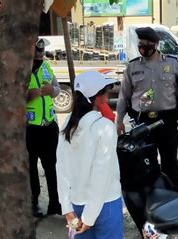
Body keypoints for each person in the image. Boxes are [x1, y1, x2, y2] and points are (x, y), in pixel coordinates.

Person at [116, 27, 178, 190]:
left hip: (167, 122)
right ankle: (152, 197)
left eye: (147, 44)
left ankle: (174, 195)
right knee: (146, 162)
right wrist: (119, 120)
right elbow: (124, 96)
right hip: (142, 124)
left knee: (170, 161)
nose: (143, 47)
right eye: (141, 44)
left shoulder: (172, 63)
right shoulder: (132, 67)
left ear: (156, 44)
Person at [56, 71, 123, 239]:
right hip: (106, 205)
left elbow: (61, 167)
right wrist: (89, 218)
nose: (108, 95)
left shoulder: (68, 123)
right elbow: (101, 176)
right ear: (99, 97)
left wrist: (67, 208)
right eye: (106, 91)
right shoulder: (104, 127)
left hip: (76, 205)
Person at [27, 38, 62, 217]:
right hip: (29, 129)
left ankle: (55, 203)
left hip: (48, 126)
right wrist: (27, 95)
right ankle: (34, 202)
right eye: (37, 51)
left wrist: (52, 91)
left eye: (41, 51)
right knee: (31, 167)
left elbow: (57, 89)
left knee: (51, 167)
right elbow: (9, 98)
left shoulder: (47, 67)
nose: (40, 54)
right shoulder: (21, 70)